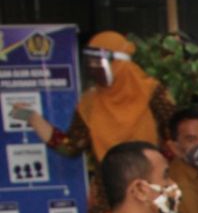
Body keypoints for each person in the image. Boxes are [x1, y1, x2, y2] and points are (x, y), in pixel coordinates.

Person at [9, 31, 174, 162]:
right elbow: (71, 146)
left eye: (98, 62)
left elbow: (177, 135)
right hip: (110, 194)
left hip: (152, 190)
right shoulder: (90, 101)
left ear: (119, 63)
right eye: (90, 62)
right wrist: (32, 118)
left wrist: (162, 165)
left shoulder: (151, 92)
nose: (93, 68)